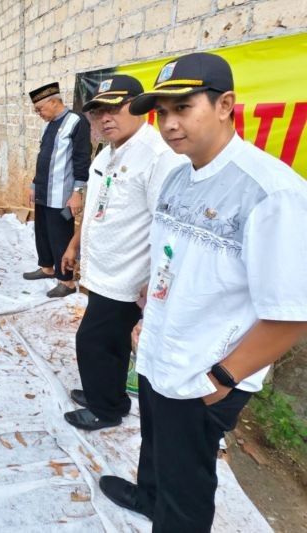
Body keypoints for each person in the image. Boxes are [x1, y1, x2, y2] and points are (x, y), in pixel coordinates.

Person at [98, 52, 307, 532]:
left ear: (225, 105)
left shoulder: (271, 193)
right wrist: (151, 314)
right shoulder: (178, 175)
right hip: (162, 351)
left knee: (186, 485)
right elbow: (174, 260)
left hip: (204, 371)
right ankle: (148, 495)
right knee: (155, 443)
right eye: (162, 112)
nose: (170, 124)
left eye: (183, 107)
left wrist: (224, 377)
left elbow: (292, 314)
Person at [59, 75, 186, 431]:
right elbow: (99, 206)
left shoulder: (158, 157)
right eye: (98, 112)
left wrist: (154, 280)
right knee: (110, 343)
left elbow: (168, 229)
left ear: (139, 106)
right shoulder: (110, 151)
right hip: (103, 271)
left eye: (115, 107)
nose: (105, 118)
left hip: (130, 277)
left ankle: (106, 409)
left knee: (93, 342)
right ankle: (109, 393)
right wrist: (75, 245)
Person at [23, 82, 91, 298]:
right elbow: (43, 158)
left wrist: (77, 192)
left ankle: (67, 282)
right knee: (41, 231)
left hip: (62, 194)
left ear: (53, 102)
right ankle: (47, 268)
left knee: (60, 235)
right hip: (43, 191)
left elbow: (81, 160)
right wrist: (35, 184)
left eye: (40, 109)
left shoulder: (76, 122)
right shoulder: (49, 124)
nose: (39, 114)